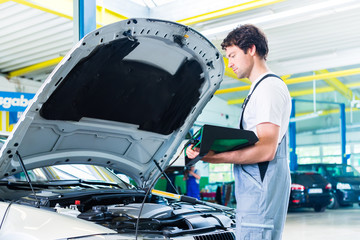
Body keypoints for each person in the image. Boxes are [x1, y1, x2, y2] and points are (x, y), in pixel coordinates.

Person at [186, 24, 291, 240]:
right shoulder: (258, 89)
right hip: (255, 195)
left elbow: (266, 150)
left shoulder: (268, 89)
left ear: (251, 49)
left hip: (260, 197)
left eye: (233, 55)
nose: (230, 63)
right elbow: (252, 141)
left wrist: (215, 158)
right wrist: (208, 146)